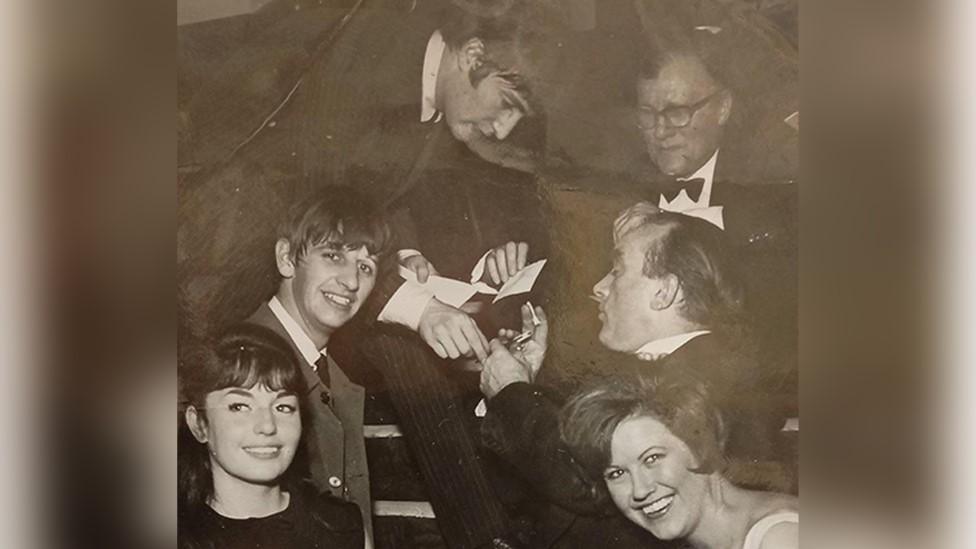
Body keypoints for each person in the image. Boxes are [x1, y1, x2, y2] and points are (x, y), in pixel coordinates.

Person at [476, 207, 793, 547]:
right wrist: (526, 383)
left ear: (664, 292)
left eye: (616, 271)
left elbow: (586, 479)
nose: (599, 288)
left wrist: (512, 390)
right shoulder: (680, 366)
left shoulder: (709, 376)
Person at [244, 185, 394, 544]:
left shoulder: (328, 374)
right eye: (333, 255)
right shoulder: (245, 364)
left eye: (366, 266)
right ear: (286, 258)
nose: (352, 281)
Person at [560, 371, 798, 549]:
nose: (640, 490)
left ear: (700, 447)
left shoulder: (781, 537)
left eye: (652, 458)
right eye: (617, 474)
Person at [178, 323, 364, 549]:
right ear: (198, 424)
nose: (267, 426)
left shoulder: (340, 526)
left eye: (283, 407)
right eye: (239, 406)